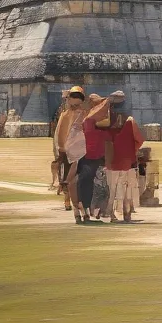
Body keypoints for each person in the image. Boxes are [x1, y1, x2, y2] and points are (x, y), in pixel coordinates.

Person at [77, 92, 117, 223]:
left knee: (99, 187)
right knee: (87, 185)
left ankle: (92, 211)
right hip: (88, 156)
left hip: (97, 157)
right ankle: (87, 211)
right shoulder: (89, 118)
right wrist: (106, 99)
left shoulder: (95, 119)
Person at [106, 106, 145, 223]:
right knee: (128, 189)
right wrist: (132, 150)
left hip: (112, 160)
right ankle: (127, 215)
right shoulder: (130, 121)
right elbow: (140, 140)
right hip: (128, 161)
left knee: (112, 189)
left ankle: (110, 214)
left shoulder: (107, 121)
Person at [55, 85, 87, 219]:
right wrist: (59, 150)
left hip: (82, 151)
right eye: (73, 97)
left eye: (77, 97)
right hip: (67, 152)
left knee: (81, 180)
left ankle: (81, 206)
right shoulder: (65, 114)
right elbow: (59, 133)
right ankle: (70, 203)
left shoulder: (85, 113)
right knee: (67, 178)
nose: (75, 100)